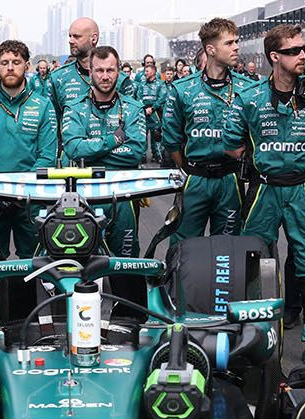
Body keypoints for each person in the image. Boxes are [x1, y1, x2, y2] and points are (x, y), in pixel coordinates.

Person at [237, 25, 305, 363]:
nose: (302, 55)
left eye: (302, 49)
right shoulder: (250, 97)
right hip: (263, 190)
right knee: (253, 263)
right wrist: (261, 157)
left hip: (300, 190)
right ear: (274, 57)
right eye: (294, 50)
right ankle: (253, 338)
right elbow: (231, 145)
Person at [0, 39, 57, 260]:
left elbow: (47, 157)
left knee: (33, 264)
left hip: (30, 201)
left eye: (16, 62)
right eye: (4, 62)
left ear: (27, 65)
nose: (10, 67)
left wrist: (17, 196)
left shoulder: (43, 105)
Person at [162, 17, 246, 239]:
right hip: (195, 179)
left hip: (230, 179)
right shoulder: (182, 89)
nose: (236, 47)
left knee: (227, 247)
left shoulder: (247, 88)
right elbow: (171, 139)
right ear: (211, 49)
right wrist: (189, 169)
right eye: (229, 43)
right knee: (184, 245)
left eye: (236, 42)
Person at [61, 46, 148, 256]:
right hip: (83, 194)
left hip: (123, 195)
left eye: (110, 70)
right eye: (99, 70)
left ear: (119, 72)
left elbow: (136, 152)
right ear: (90, 72)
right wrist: (113, 140)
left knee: (125, 262)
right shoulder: (74, 107)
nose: (105, 76)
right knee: (80, 260)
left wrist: (91, 154)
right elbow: (74, 149)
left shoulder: (134, 108)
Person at [49, 17, 101, 153]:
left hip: (110, 160)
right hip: (72, 158)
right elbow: (51, 123)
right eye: (70, 36)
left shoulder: (118, 79)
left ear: (94, 39)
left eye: (77, 36)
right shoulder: (58, 77)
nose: (71, 41)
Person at [135, 55, 166, 164]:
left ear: (153, 72)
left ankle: (157, 155)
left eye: (147, 71)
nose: (145, 73)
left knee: (156, 135)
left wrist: (152, 108)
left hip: (155, 113)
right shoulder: (141, 84)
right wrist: (144, 108)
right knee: (142, 134)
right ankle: (142, 156)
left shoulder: (160, 84)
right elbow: (138, 97)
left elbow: (162, 98)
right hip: (143, 112)